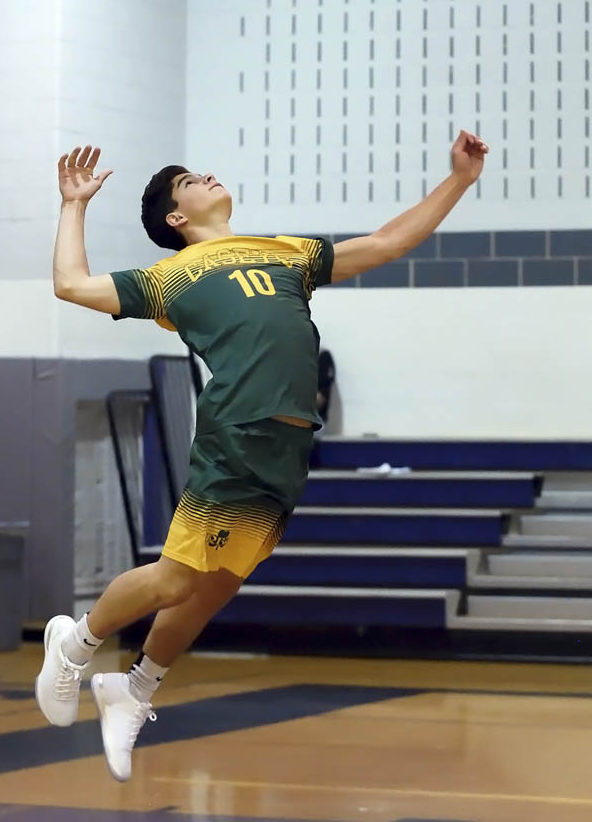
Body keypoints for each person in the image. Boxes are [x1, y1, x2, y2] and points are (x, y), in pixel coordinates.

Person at [35, 131, 488, 781]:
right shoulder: (169, 278)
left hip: (288, 441)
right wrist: (73, 205)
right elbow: (71, 284)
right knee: (174, 578)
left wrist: (458, 181)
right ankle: (73, 646)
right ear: (176, 217)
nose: (207, 176)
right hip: (236, 435)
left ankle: (133, 690)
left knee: (215, 586)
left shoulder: (288, 252)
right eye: (192, 180)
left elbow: (387, 243)